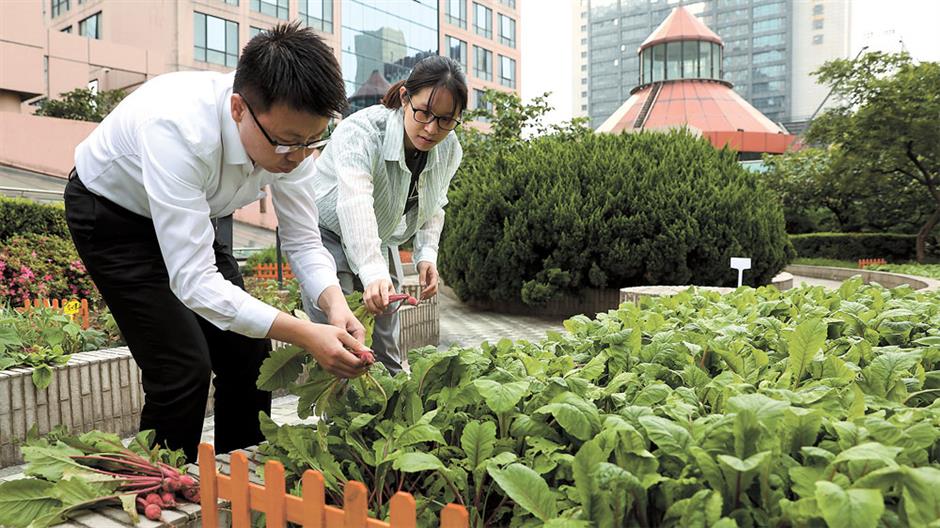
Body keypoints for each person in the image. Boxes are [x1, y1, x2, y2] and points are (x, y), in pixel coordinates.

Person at [63, 23, 371, 462]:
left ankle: (239, 478)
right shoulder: (176, 128)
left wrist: (336, 309)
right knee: (182, 368)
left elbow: (303, 241)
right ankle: (163, 490)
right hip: (114, 220)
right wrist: (306, 333)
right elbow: (194, 282)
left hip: (194, 214)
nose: (300, 156)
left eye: (312, 141)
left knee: (249, 354)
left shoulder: (294, 138)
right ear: (238, 108)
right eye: (287, 144)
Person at [302, 56, 467, 374]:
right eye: (423, 113)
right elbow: (354, 202)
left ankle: (390, 418)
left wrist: (426, 255)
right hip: (324, 233)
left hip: (377, 238)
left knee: (387, 349)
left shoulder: (450, 148)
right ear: (405, 97)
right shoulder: (361, 131)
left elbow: (435, 204)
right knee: (340, 345)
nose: (432, 129)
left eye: (446, 120)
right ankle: (342, 422)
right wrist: (373, 274)